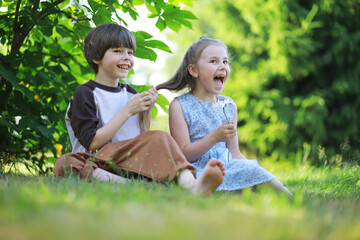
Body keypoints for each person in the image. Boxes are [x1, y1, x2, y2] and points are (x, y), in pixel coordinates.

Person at [53, 23, 226, 195]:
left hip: (128, 162)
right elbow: (92, 144)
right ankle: (134, 184)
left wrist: (146, 111)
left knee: (160, 136)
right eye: (118, 51)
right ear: (96, 58)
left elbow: (142, 136)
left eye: (130, 52)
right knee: (65, 163)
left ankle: (193, 185)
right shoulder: (86, 93)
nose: (127, 57)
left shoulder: (130, 93)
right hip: (98, 163)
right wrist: (127, 110)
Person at [156, 37, 293, 196]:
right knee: (193, 178)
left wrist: (255, 169)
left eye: (225, 62)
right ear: (194, 70)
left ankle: (286, 195)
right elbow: (183, 154)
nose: (222, 66)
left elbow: (235, 153)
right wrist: (214, 137)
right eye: (214, 61)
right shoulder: (179, 106)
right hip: (197, 170)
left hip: (228, 167)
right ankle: (211, 187)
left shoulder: (229, 106)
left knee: (251, 168)